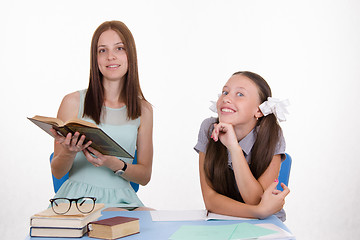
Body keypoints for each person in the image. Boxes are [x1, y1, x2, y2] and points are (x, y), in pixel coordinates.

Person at [50, 20, 153, 211]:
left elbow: (145, 176)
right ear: (95, 58)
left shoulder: (144, 110)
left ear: (130, 54)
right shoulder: (72, 102)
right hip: (78, 201)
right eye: (102, 50)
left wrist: (115, 164)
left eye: (119, 48)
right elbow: (57, 171)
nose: (111, 57)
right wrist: (69, 151)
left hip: (123, 201)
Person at [194, 71, 290, 221]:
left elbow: (255, 200)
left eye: (240, 94)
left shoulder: (272, 135)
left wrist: (234, 148)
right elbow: (211, 201)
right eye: (225, 92)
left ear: (258, 110)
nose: (226, 98)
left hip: (264, 225)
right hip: (225, 221)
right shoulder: (209, 128)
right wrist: (259, 211)